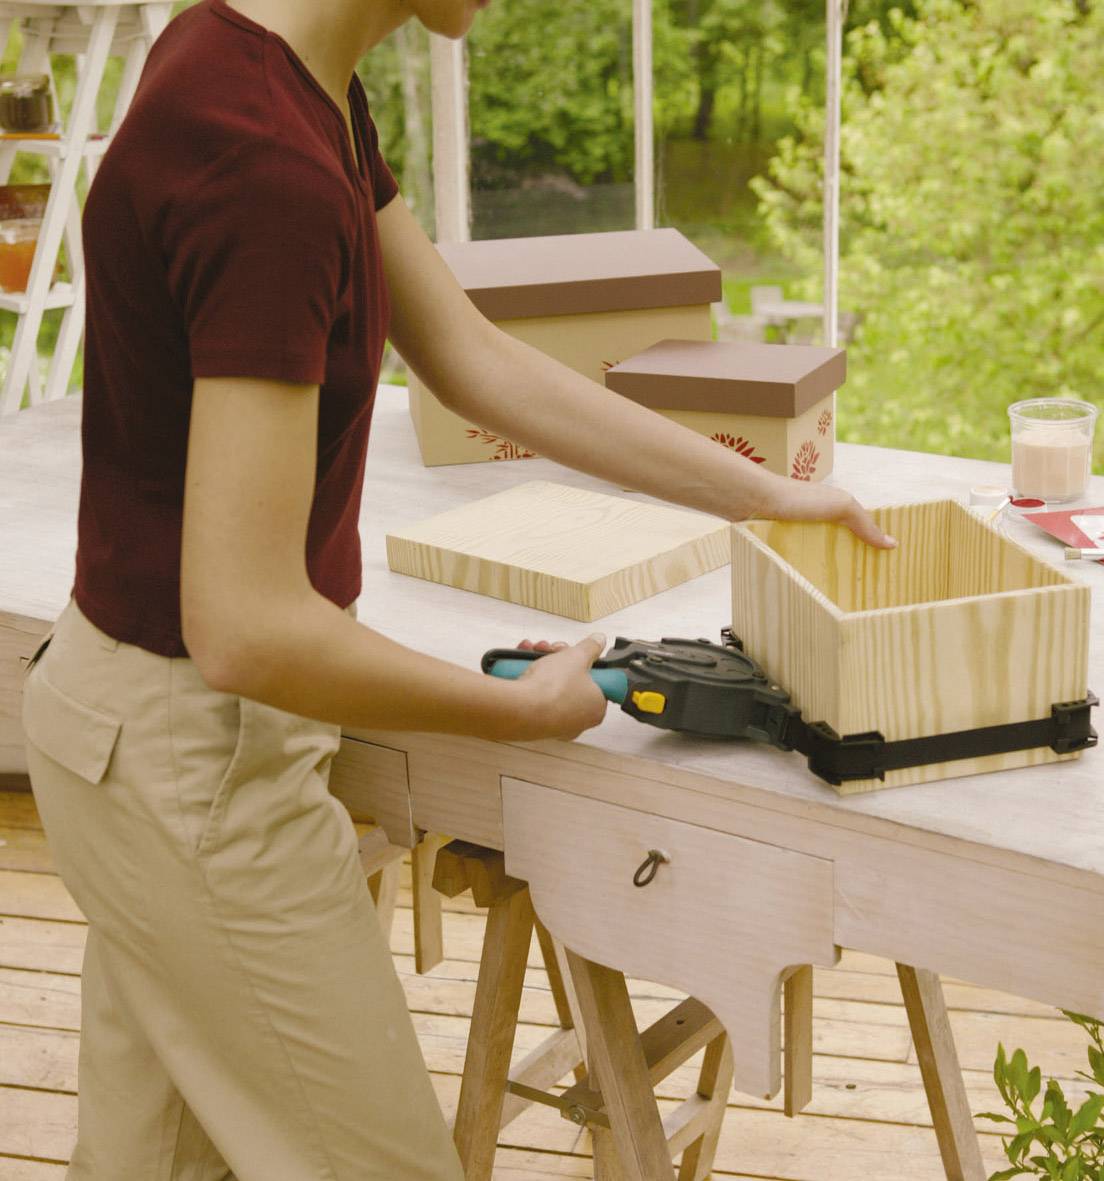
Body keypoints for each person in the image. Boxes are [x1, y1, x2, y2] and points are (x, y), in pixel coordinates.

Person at [19, 0, 896, 1177]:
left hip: (124, 739)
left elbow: (472, 357)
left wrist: (759, 493)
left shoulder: (272, 70)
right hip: (196, 772)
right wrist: (516, 709)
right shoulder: (262, 165)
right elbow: (240, 626)